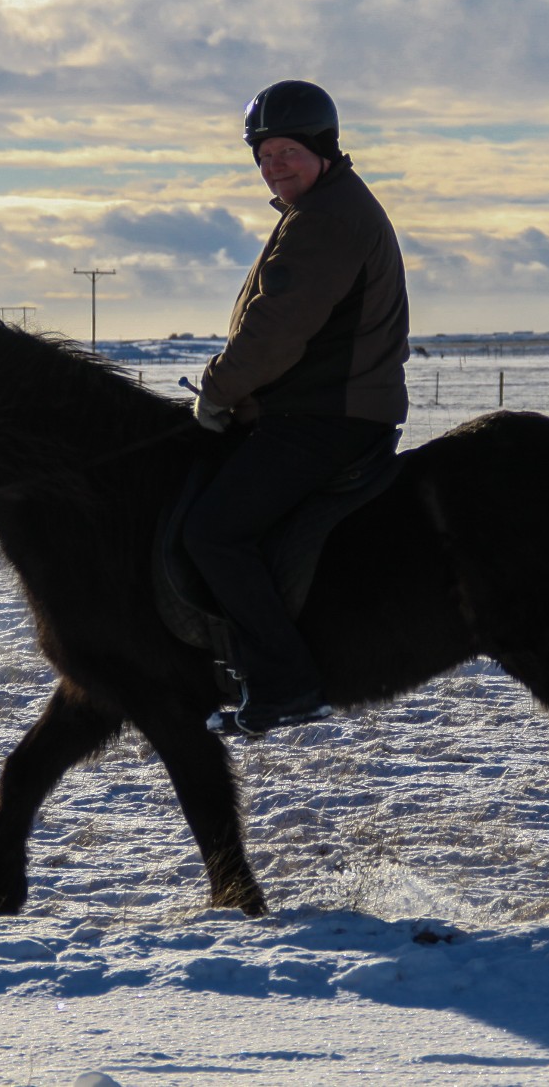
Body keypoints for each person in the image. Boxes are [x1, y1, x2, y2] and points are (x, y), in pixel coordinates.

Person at [184, 79, 411, 737]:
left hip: (325, 417)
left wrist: (218, 390)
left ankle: (286, 680)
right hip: (325, 408)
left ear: (323, 149)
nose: (273, 165)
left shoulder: (325, 220)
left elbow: (277, 329)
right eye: (263, 154)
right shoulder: (320, 210)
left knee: (213, 531)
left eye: (287, 151)